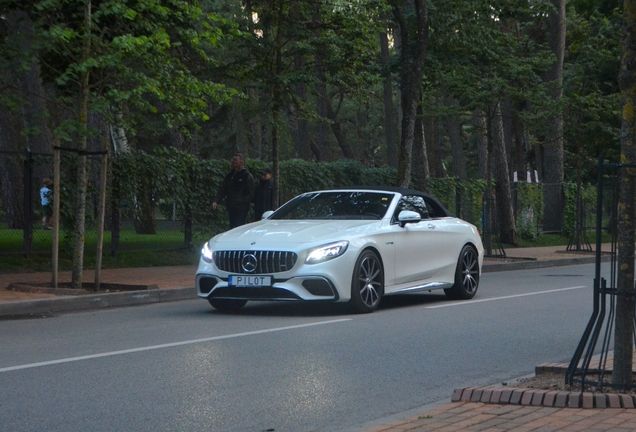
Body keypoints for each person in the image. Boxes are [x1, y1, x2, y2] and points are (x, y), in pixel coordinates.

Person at [212, 153, 255, 229]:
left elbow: (251, 193)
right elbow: (223, 189)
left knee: (238, 227)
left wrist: (242, 202)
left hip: (241, 208)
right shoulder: (230, 176)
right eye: (233, 159)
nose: (233, 161)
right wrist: (216, 201)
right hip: (231, 206)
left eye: (235, 160)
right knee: (232, 227)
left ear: (241, 162)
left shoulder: (246, 176)